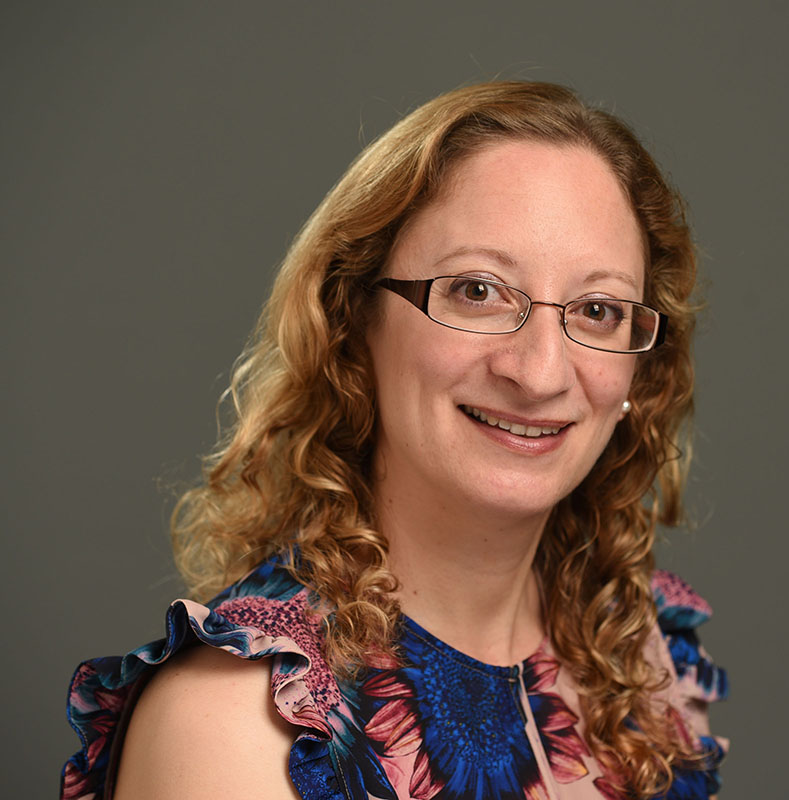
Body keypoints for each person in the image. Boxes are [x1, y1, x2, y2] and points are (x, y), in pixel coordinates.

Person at [61, 81, 728, 800]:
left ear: (639, 363)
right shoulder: (233, 724)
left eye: (598, 309)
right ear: (353, 320)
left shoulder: (642, 665)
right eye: (477, 291)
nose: (538, 374)